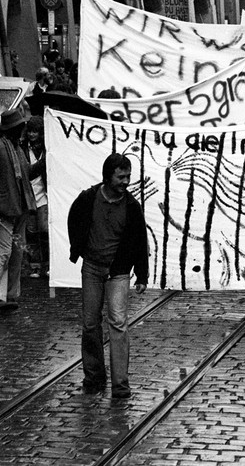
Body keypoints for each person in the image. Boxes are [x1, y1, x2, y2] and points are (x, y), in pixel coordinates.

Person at [68, 153, 148, 398]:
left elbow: (139, 240)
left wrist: (141, 275)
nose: (125, 181)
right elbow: (74, 220)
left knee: (118, 324)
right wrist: (78, 249)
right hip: (92, 267)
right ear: (108, 176)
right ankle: (93, 377)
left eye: (128, 176)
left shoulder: (132, 207)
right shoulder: (89, 198)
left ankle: (120, 384)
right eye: (120, 176)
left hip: (118, 272)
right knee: (90, 323)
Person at [0, 109, 44, 311]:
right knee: (2, 253)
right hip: (5, 210)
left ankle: (9, 294)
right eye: (20, 127)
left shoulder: (17, 149)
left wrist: (44, 163)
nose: (23, 130)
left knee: (16, 253)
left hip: (20, 209)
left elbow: (27, 174)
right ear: (12, 129)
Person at [22, 116, 48, 279]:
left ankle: (46, 264)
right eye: (30, 131)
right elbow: (27, 172)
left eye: (35, 131)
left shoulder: (46, 148)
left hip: (43, 196)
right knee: (31, 232)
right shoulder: (23, 148)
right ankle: (34, 266)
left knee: (44, 230)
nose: (32, 134)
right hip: (29, 196)